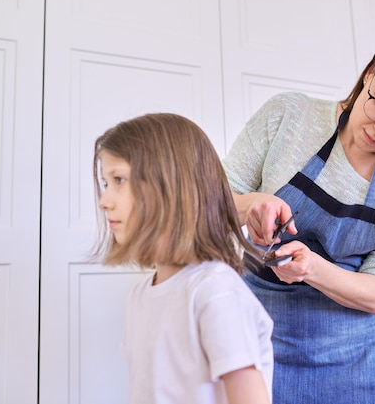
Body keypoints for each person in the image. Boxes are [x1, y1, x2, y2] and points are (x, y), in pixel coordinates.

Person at [222, 36, 375, 404]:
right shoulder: (289, 116)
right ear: (370, 73)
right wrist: (252, 205)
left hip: (356, 352)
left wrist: (312, 269)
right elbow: (215, 197)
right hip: (261, 328)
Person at [91, 113, 274, 404]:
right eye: (105, 183)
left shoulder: (215, 292)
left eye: (118, 180)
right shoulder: (140, 297)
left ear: (171, 185)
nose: (104, 200)